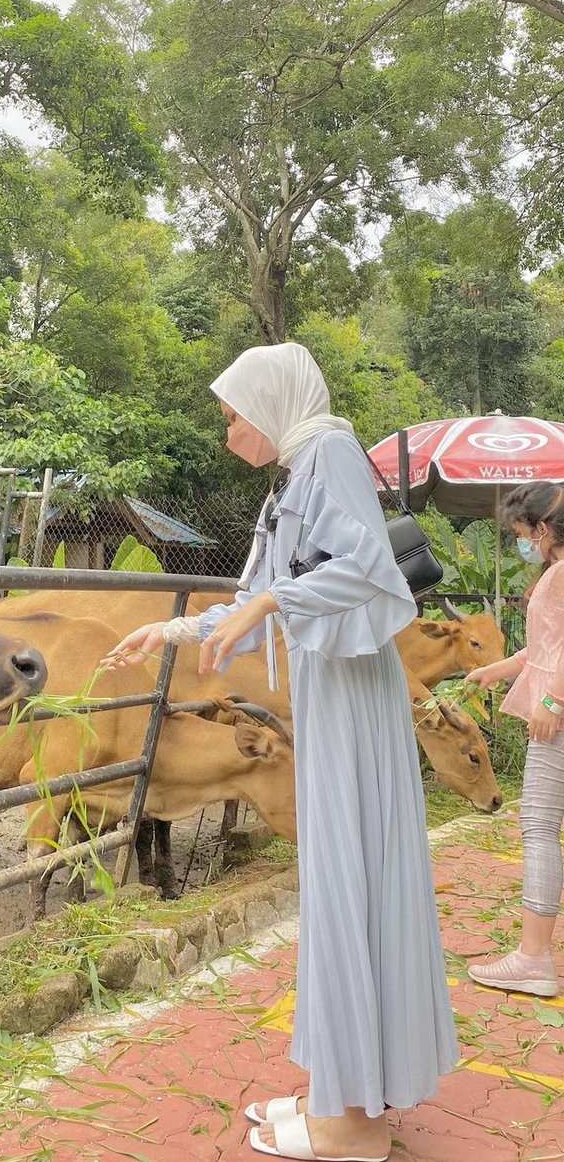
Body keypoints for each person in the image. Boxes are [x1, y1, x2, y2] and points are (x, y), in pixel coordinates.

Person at [106, 343, 457, 1162]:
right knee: (343, 887)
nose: (228, 431)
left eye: (233, 414)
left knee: (351, 884)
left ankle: (355, 1126)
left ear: (272, 403)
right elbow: (250, 599)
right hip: (334, 699)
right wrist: (171, 627)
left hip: (350, 702)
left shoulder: (328, 449)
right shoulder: (296, 475)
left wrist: (270, 597)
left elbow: (369, 572)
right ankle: (345, 1095)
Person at [463, 482, 564, 998]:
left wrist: (552, 702)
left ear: (542, 528)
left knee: (540, 825)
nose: (522, 543)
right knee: (542, 825)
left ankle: (533, 958)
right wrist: (493, 670)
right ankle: (534, 953)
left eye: (522, 533)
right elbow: (544, 648)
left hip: (557, 717)